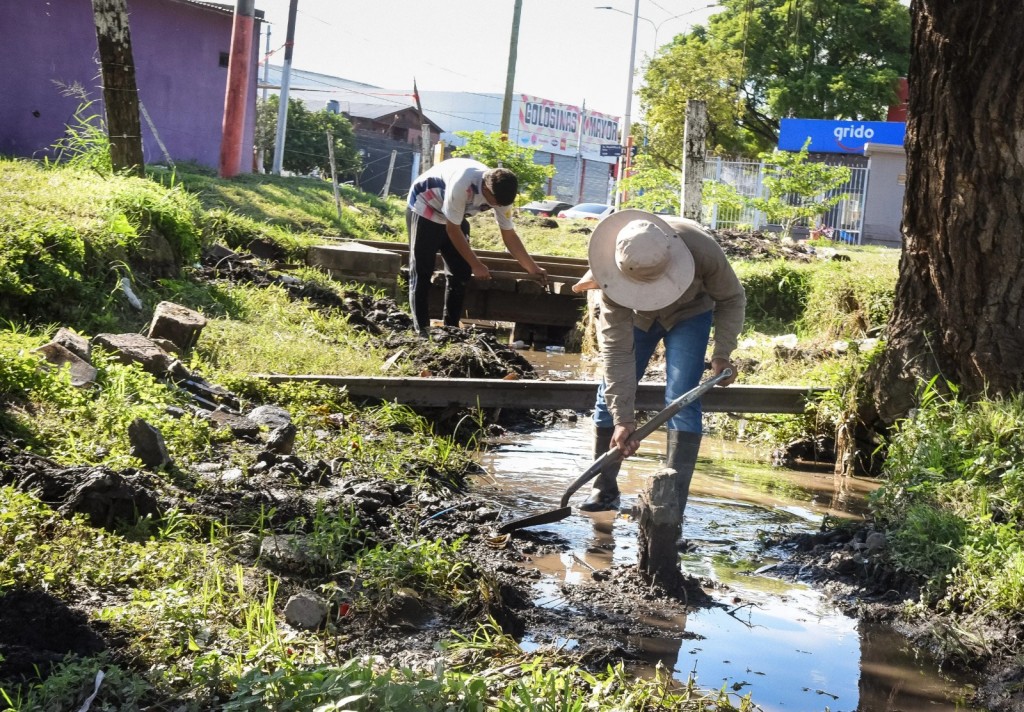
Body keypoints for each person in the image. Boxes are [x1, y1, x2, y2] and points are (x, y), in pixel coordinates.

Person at [572, 209, 746, 515]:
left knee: (682, 398)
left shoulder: (701, 249)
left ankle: (672, 503)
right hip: (636, 315)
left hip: (689, 312)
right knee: (607, 399)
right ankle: (604, 489)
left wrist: (722, 352)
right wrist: (623, 418)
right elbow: (616, 352)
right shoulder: (611, 273)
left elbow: (732, 298)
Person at [406, 157, 548, 334]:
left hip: (454, 216)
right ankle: (422, 331)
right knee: (422, 271)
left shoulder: (502, 195)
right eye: (494, 202)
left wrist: (532, 267)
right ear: (486, 189)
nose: (497, 206)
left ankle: (451, 329)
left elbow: (509, 235)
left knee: (461, 272)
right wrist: (477, 265)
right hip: (426, 206)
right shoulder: (462, 184)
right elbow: (452, 230)